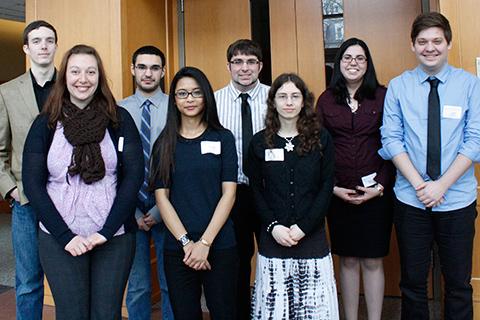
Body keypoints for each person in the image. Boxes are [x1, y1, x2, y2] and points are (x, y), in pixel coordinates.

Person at [22, 44, 143, 320]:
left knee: (106, 313)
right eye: (75, 71)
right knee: (71, 313)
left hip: (114, 237)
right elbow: (33, 183)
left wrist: (107, 231)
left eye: (91, 72)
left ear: (99, 76)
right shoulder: (46, 123)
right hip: (59, 238)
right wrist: (66, 237)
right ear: (65, 76)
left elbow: (133, 177)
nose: (83, 79)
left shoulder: (119, 119)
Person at [379, 12, 480, 320]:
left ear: (448, 43)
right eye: (422, 41)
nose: (430, 48)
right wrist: (422, 186)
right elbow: (391, 139)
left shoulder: (470, 85)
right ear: (412, 45)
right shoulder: (398, 87)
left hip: (458, 199)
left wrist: (442, 185)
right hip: (411, 200)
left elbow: (475, 140)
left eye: (437, 41)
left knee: (459, 284)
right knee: (412, 283)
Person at [246, 73, 339, 319]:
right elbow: (255, 189)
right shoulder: (259, 142)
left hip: (311, 236)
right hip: (273, 236)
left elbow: (326, 186)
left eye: (295, 96)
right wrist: (273, 226)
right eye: (282, 96)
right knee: (276, 307)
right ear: (273, 102)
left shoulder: (321, 139)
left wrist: (304, 227)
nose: (289, 102)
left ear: (304, 102)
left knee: (313, 306)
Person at [151, 66, 239, 319]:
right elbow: (161, 199)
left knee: (224, 312)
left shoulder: (223, 138)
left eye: (196, 93)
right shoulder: (164, 143)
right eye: (182, 94)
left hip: (220, 244)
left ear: (206, 96)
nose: (189, 99)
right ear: (174, 100)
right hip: (179, 248)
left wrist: (205, 243)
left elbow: (229, 194)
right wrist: (187, 244)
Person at [316, 38, 394, 320]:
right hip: (339, 194)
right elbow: (318, 148)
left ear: (368, 64)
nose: (353, 63)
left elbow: (395, 144)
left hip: (377, 193)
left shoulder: (384, 96)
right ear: (339, 64)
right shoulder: (326, 100)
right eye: (347, 57)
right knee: (347, 259)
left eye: (360, 58)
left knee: (373, 260)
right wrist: (332, 188)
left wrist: (381, 187)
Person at [0, 20, 57, 320]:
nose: (44, 46)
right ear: (26, 47)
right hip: (25, 200)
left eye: (49, 40)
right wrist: (9, 189)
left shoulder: (74, 84)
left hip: (68, 196)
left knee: (67, 280)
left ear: (56, 46)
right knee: (28, 282)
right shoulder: (7, 92)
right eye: (36, 41)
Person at [214, 39, 269, 319]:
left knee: (272, 257)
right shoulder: (214, 101)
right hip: (231, 193)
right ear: (228, 66)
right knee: (237, 259)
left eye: (250, 62)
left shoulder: (276, 98)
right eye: (238, 61)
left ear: (260, 65)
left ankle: (270, 311)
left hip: (269, 192)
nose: (244, 68)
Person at [118, 45, 174, 320]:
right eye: (142, 67)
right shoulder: (117, 110)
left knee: (170, 283)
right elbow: (112, 165)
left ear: (163, 71)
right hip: (130, 208)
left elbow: (181, 162)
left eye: (154, 68)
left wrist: (158, 211)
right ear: (133, 70)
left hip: (171, 207)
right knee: (138, 286)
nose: (148, 73)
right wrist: (134, 211)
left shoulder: (176, 107)